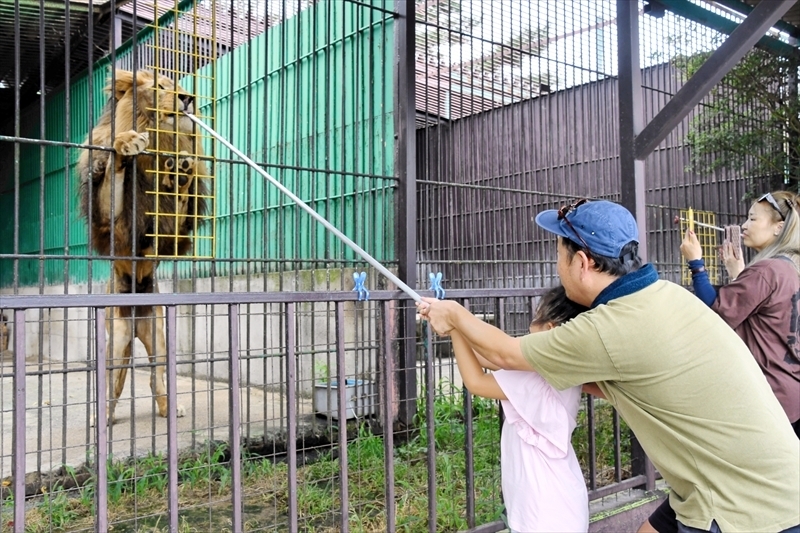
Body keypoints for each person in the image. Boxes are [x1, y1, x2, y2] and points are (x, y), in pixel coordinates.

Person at [417, 199, 800, 533]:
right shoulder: (662, 294)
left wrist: (454, 316)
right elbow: (519, 360)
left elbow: (505, 356)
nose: (557, 265)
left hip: (741, 504)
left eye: (559, 255)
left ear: (581, 262)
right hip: (753, 478)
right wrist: (461, 330)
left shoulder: (610, 326)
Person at [637, 191, 800, 533]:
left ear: (778, 227)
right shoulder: (789, 268)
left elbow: (717, 314)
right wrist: (739, 273)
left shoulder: (768, 270)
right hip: (792, 396)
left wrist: (696, 263)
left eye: (754, 218)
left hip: (767, 406)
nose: (744, 224)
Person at [451, 285, 589, 532]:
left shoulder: (538, 376)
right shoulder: (562, 365)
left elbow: (477, 382)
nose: (529, 325)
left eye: (536, 317)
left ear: (551, 329)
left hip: (544, 513)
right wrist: (455, 326)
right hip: (556, 506)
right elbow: (490, 357)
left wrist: (454, 325)